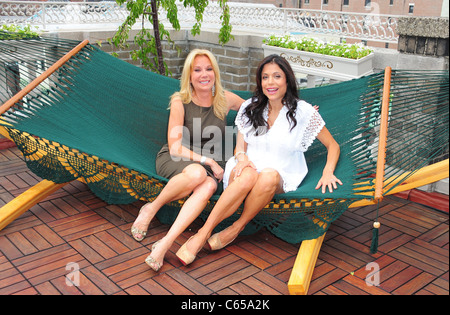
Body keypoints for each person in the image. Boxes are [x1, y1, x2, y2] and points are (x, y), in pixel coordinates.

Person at [175, 54, 342, 265]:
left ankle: (237, 227)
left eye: (276, 76)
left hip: (279, 176)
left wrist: (328, 172)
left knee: (268, 176)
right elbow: (240, 146)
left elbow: (333, 145)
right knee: (249, 175)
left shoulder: (303, 113)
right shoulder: (251, 107)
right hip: (245, 168)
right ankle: (202, 234)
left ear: (287, 80)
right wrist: (242, 158)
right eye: (265, 77)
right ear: (260, 82)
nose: (270, 82)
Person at [130, 49, 244, 271]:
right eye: (198, 70)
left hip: (211, 165)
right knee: (198, 174)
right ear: (189, 75)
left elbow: (258, 107)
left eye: (209, 69)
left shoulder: (225, 99)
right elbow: (174, 146)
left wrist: (297, 110)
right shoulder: (180, 101)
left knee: (209, 185)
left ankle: (165, 243)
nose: (204, 74)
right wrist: (208, 161)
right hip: (177, 157)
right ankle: (151, 209)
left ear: (215, 73)